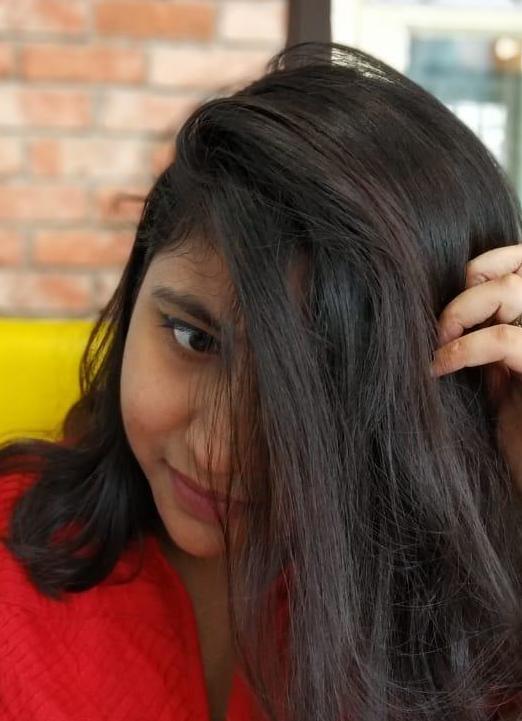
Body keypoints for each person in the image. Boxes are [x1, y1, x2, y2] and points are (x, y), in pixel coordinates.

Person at [0, 41, 521, 721]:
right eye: (194, 338)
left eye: (318, 380)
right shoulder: (14, 559)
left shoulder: (465, 617)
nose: (218, 452)